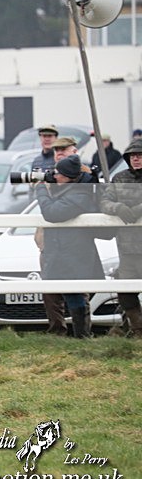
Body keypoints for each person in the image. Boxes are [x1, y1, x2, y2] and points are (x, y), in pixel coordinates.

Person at [36, 154, 103, 338]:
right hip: (60, 250)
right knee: (60, 292)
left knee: (74, 294)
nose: (54, 176)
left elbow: (52, 213)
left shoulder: (80, 194)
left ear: (69, 176)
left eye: (58, 173)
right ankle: (66, 334)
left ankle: (82, 335)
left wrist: (40, 190)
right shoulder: (69, 189)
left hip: (74, 252)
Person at [100, 139, 142, 337]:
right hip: (126, 247)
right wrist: (118, 208)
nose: (136, 159)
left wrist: (139, 210)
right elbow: (104, 201)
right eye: (133, 156)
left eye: (139, 155)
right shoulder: (119, 178)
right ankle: (137, 330)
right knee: (126, 292)